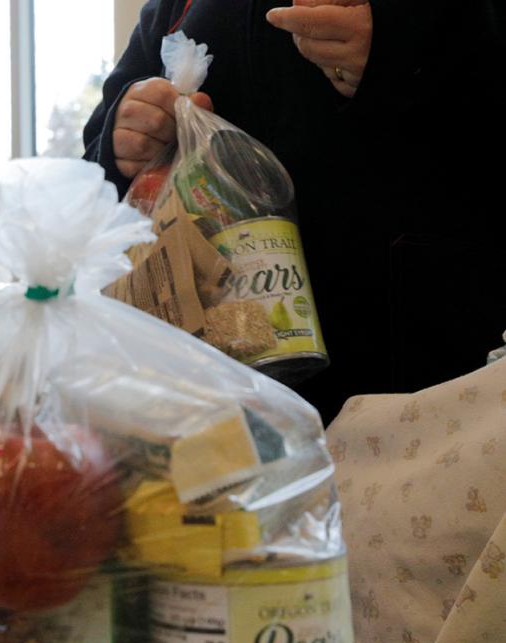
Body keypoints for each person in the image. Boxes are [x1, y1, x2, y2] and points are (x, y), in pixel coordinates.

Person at [82, 0, 505, 425]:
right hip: (219, 395)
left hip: (426, 373)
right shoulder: (173, 8)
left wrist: (411, 57)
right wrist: (128, 135)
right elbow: (99, 159)